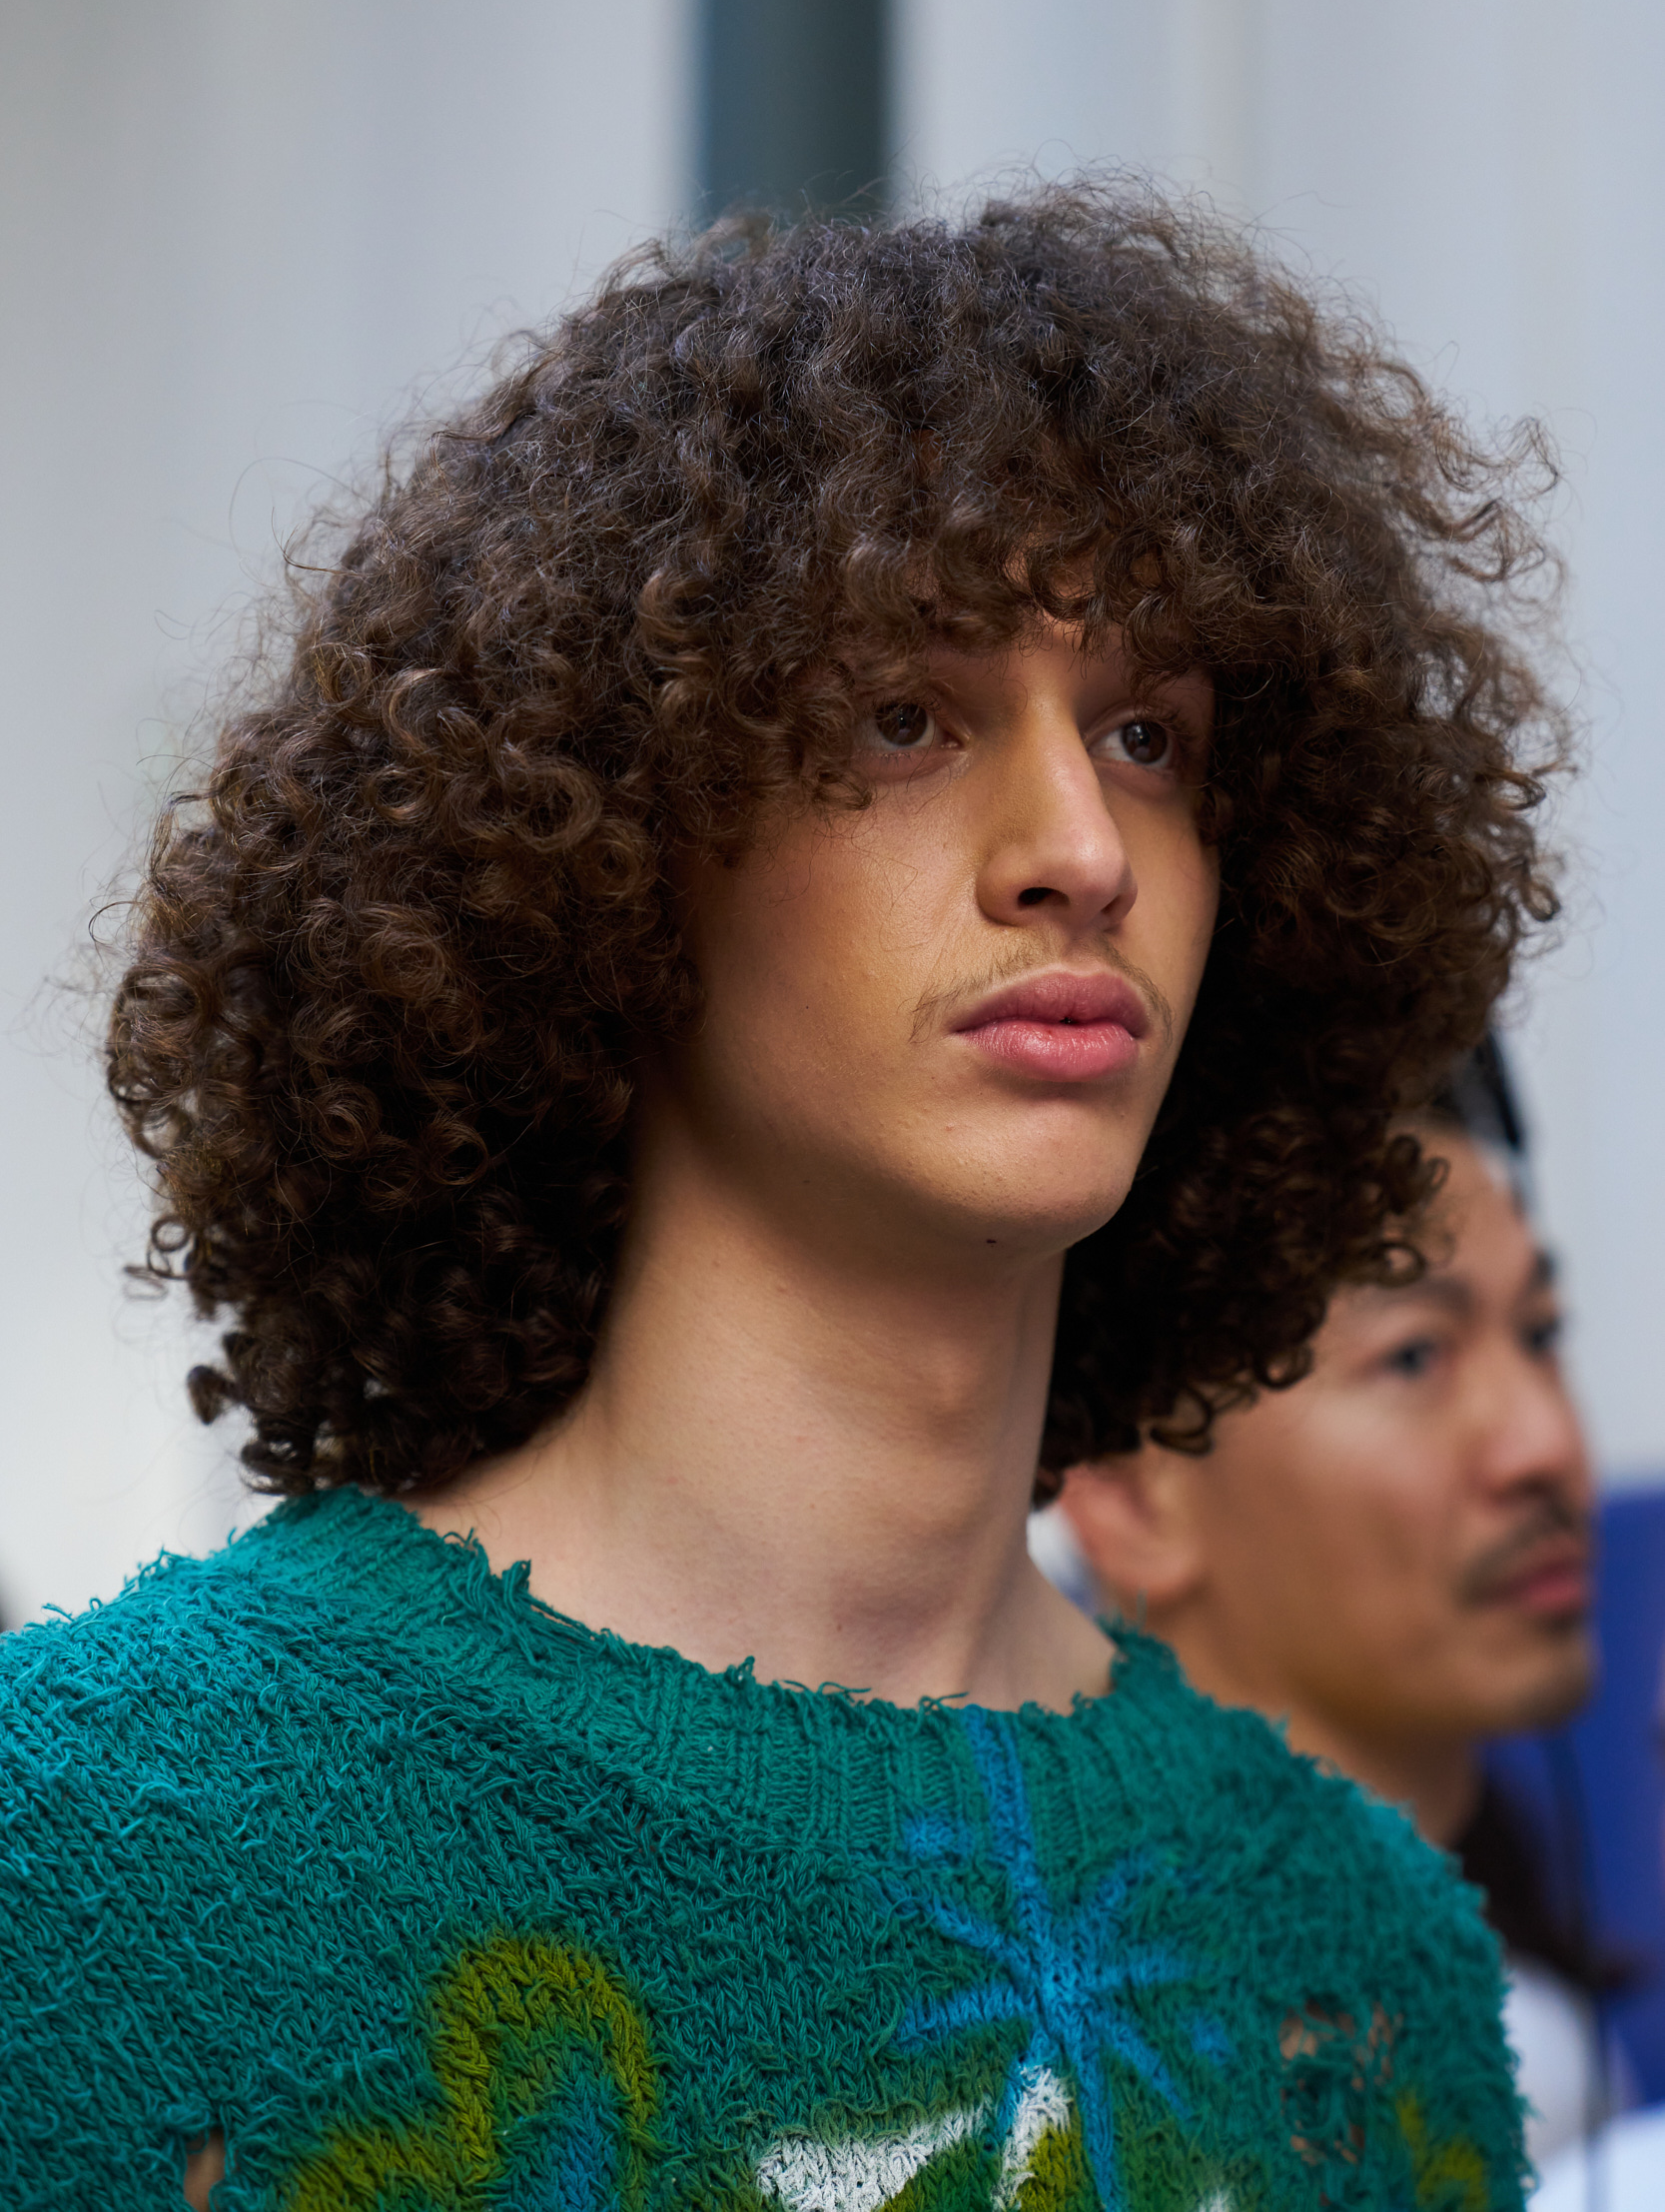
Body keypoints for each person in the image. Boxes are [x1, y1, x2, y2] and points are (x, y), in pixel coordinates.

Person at [0, 185, 1561, 2211]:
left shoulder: (1353, 1964)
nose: (1076, 843)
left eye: (1148, 732)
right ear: (606, 838)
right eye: (904, 715)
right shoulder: (113, 1833)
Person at [1058, 1041, 1625, 2172]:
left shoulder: (1491, 1974)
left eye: (1540, 1334)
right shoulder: (1103, 2097)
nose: (1546, 1447)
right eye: (1415, 1356)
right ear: (1126, 1496)